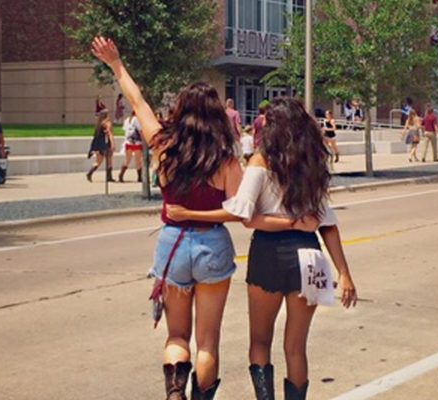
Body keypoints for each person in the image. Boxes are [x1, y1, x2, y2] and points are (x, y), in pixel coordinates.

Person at [91, 36, 291, 399]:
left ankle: (173, 391)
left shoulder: (162, 144)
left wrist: (116, 63)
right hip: (212, 244)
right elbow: (240, 211)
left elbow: (138, 102)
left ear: (180, 111)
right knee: (207, 342)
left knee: (176, 336)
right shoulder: (226, 159)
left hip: (172, 244)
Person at [166, 97, 357, 400]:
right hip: (309, 255)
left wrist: (285, 223)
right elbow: (327, 224)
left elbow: (245, 217)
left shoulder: (260, 161)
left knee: (259, 342)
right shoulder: (312, 164)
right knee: (296, 348)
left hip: (269, 254)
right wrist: (344, 273)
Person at [86, 108, 116, 182]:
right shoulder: (107, 123)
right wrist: (113, 144)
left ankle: (90, 173)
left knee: (98, 161)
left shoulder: (99, 124)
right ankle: (108, 176)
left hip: (99, 145)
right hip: (106, 144)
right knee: (109, 160)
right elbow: (109, 134)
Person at [119, 111, 143, 182]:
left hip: (128, 142)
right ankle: (139, 177)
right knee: (138, 160)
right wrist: (143, 139)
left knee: (127, 160)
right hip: (136, 142)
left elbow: (125, 130)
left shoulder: (127, 120)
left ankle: (121, 174)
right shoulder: (136, 120)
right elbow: (140, 130)